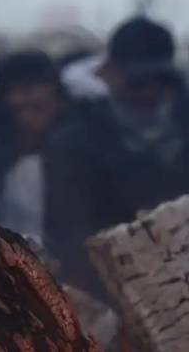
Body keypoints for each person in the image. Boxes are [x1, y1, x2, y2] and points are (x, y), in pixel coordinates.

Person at [45, 16, 189, 296]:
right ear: (108, 73)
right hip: (112, 289)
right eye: (138, 81)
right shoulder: (75, 140)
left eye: (160, 80)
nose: (150, 91)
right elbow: (69, 229)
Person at [0, 50, 68, 242]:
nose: (26, 120)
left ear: (59, 103)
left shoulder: (78, 160)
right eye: (17, 110)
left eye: (37, 108)